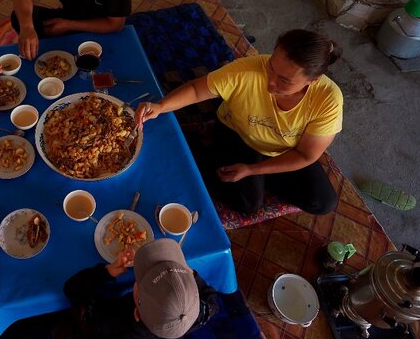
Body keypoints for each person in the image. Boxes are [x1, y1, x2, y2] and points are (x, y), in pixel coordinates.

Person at [136, 30, 343, 215]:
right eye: (271, 67)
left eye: (284, 81)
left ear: (313, 80)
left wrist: (252, 170)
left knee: (323, 202)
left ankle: (261, 176)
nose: (270, 81)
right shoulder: (247, 70)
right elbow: (197, 89)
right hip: (238, 134)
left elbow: (306, 155)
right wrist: (161, 107)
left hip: (285, 149)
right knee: (247, 204)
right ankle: (193, 147)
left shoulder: (328, 99)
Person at [64, 239, 218, 339]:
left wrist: (106, 272)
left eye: (140, 281)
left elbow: (73, 290)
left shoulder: (109, 324)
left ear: (136, 313)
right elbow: (212, 302)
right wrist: (187, 274)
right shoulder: (193, 317)